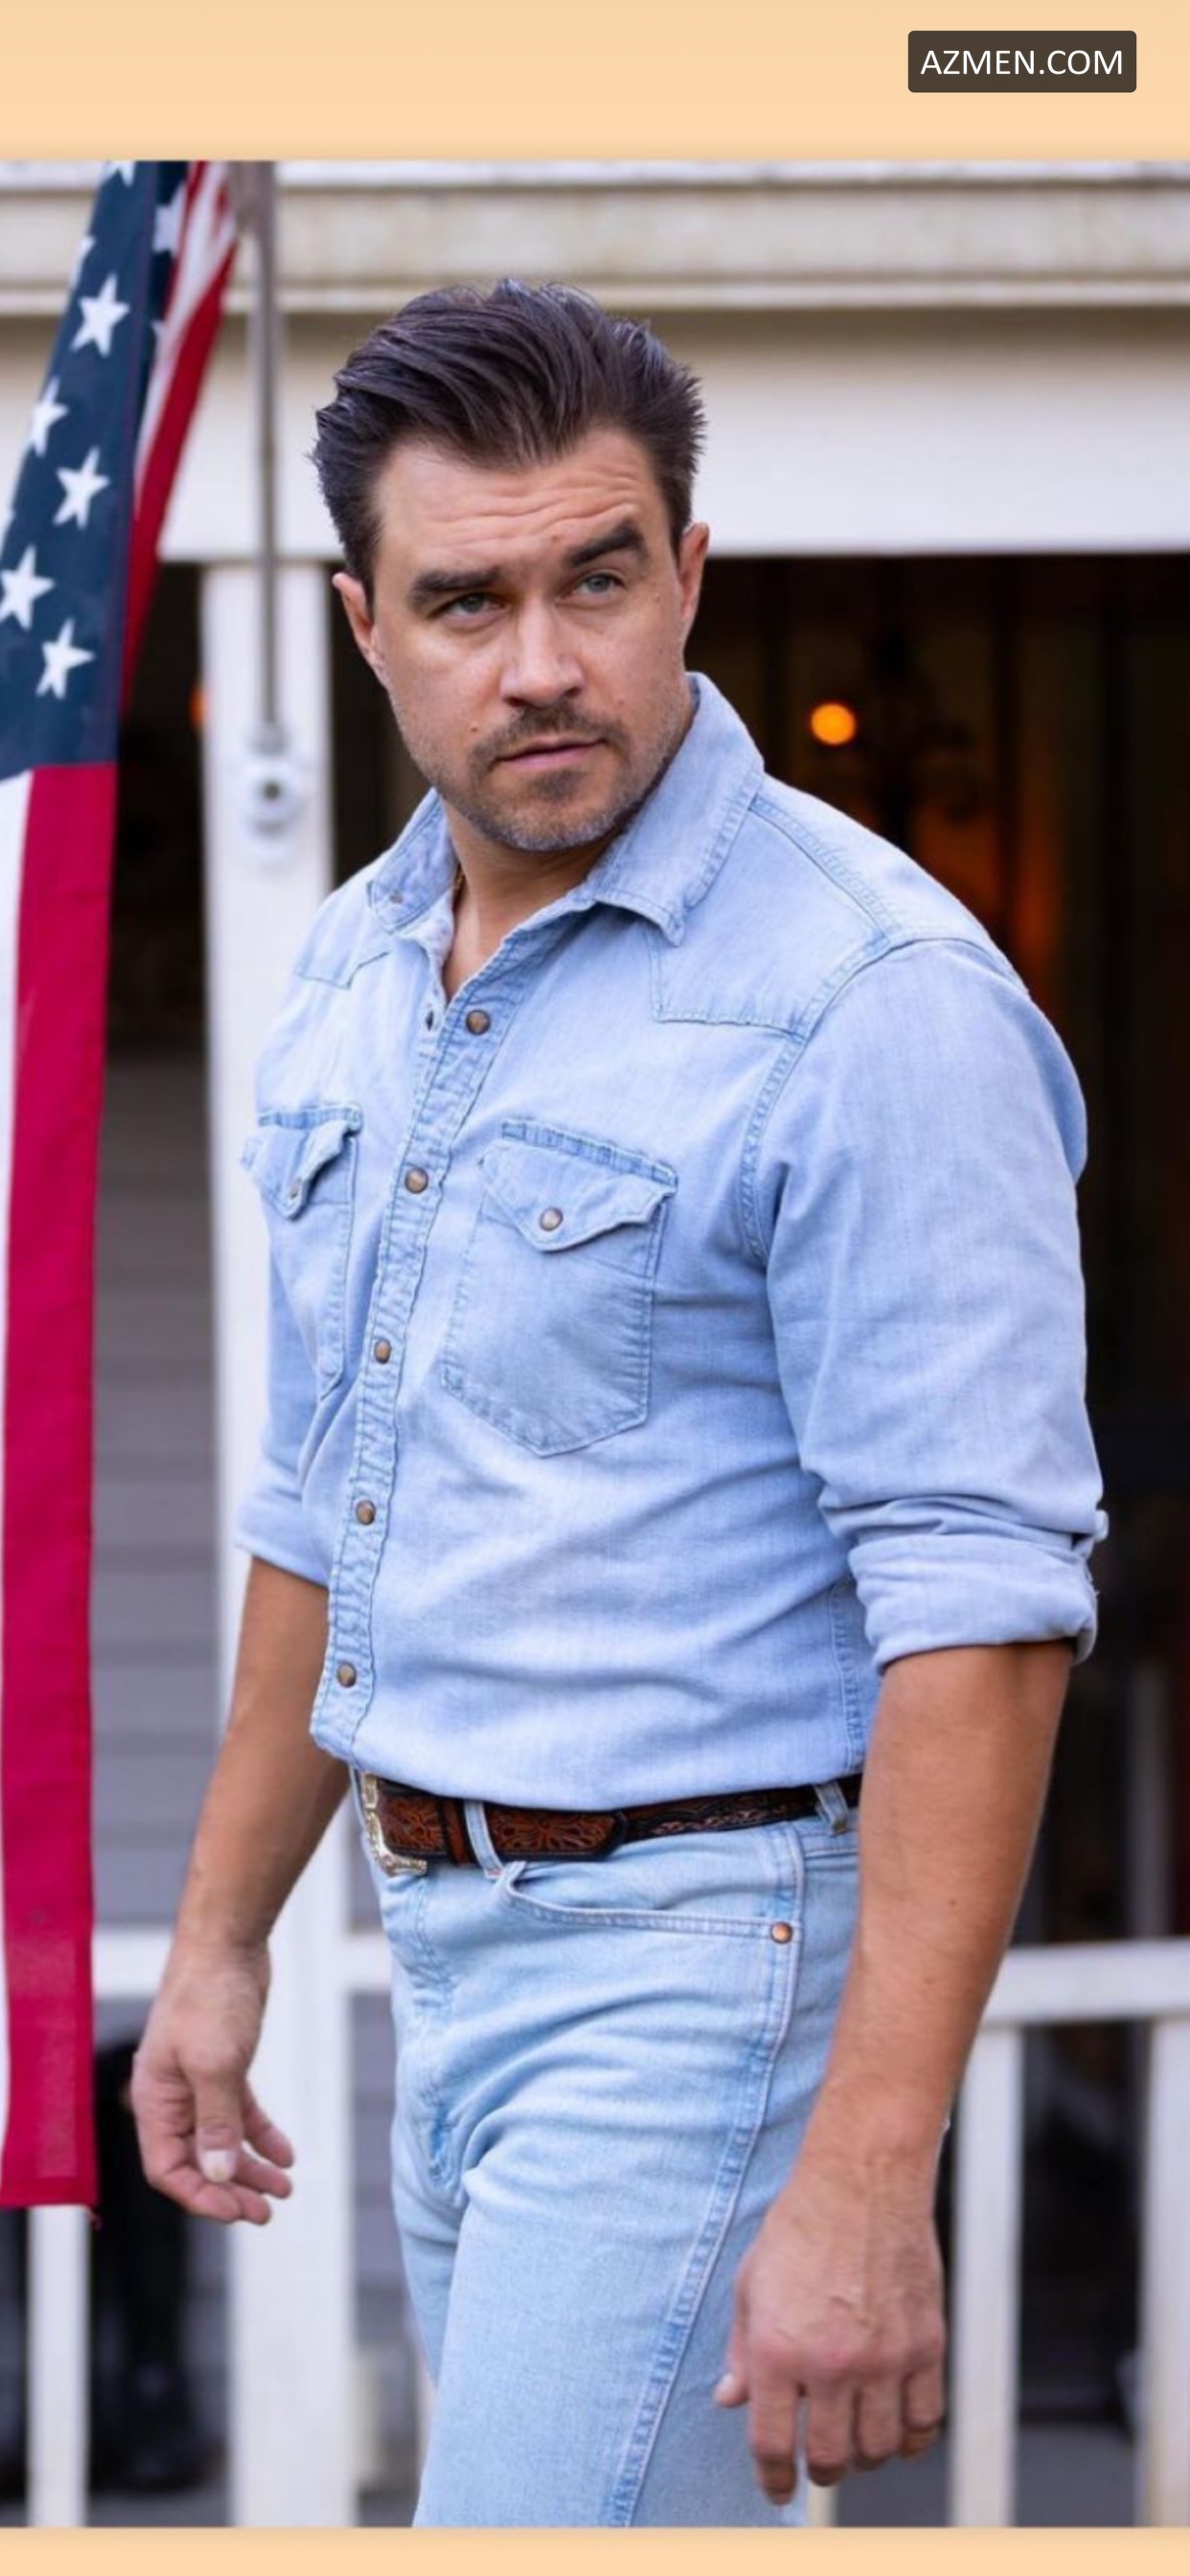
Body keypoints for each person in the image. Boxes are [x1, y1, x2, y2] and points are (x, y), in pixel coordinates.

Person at [131, 279, 1107, 2528]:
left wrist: (870, 2169)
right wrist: (221, 1940)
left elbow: (980, 1612)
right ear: (368, 627)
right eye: (467, 603)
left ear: (692, 576)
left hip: (704, 1971)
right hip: (447, 1955)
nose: (542, 664)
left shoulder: (871, 999)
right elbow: (326, 1502)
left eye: (598, 579)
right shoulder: (362, 969)